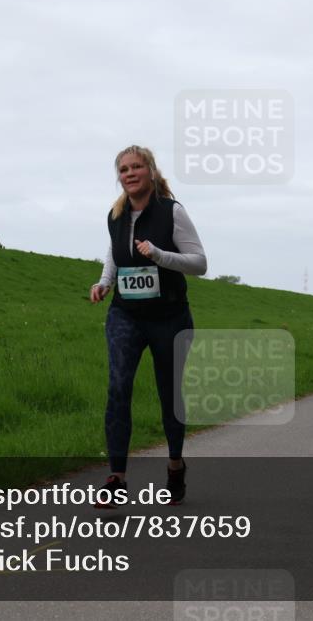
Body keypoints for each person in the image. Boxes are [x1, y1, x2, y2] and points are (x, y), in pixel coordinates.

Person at [89, 145, 207, 507]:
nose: (129, 173)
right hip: (126, 314)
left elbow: (200, 263)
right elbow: (114, 252)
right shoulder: (115, 213)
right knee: (119, 387)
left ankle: (174, 466)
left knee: (169, 392)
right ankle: (117, 478)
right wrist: (105, 282)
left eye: (136, 166)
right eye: (123, 169)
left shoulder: (173, 212)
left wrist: (159, 255)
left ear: (151, 171)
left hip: (169, 317)